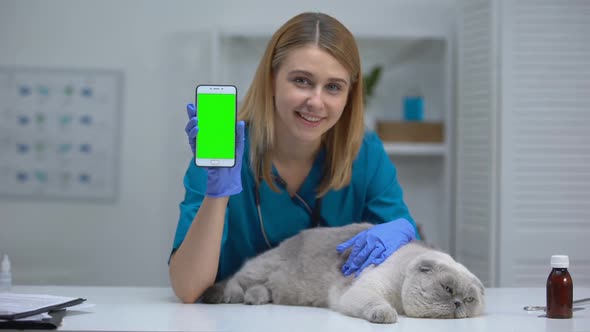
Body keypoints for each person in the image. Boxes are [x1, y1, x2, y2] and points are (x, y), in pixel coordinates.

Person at [169, 12, 419, 303]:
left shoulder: (365, 153)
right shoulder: (226, 150)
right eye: (302, 81)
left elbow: (405, 248)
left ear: (349, 94)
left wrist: (403, 232)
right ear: (272, 79)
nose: (316, 101)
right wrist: (217, 195)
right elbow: (188, 289)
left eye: (334, 87)